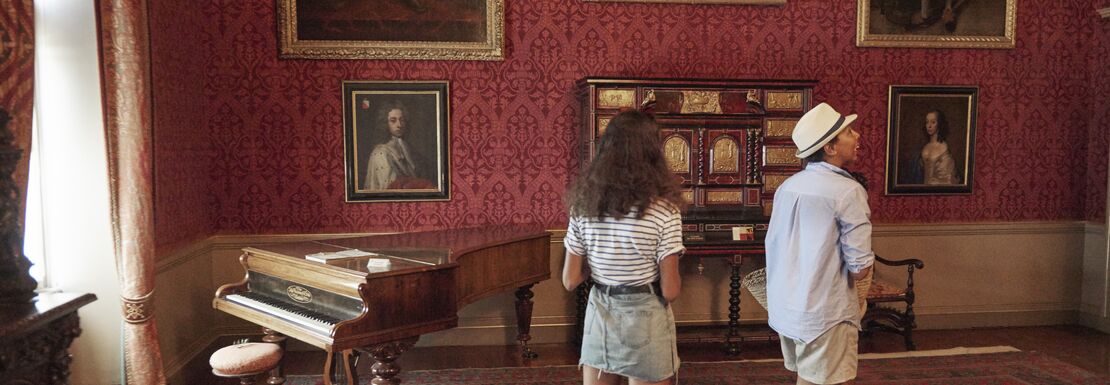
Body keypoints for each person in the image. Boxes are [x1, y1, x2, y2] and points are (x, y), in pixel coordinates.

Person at [562, 110, 686, 385]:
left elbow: (570, 280)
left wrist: (599, 265)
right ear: (653, 153)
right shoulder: (665, 211)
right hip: (646, 317)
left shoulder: (583, 206)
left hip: (600, 316)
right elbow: (671, 290)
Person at [765, 102, 875, 385]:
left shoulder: (788, 186)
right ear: (830, 147)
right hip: (825, 312)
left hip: (787, 307)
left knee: (808, 376)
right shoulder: (848, 191)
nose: (857, 135)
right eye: (848, 132)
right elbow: (860, 268)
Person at [362, 101, 434, 190]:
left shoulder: (407, 148)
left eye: (402, 120)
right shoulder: (380, 153)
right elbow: (391, 187)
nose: (399, 125)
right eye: (393, 121)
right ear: (385, 123)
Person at [917, 109, 959, 185]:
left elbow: (948, 178)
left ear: (939, 124)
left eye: (933, 122)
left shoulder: (943, 148)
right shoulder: (925, 147)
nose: (929, 126)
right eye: (927, 122)